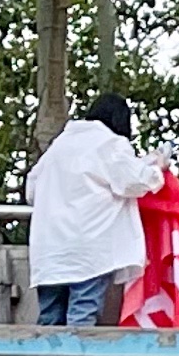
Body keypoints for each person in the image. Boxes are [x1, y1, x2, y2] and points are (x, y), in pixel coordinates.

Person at [23, 93, 162, 325]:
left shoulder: (59, 146)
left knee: (50, 318)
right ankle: (74, 351)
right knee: (83, 314)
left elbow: (31, 191)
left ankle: (46, 351)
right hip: (89, 249)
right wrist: (157, 168)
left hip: (49, 251)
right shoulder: (109, 143)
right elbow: (134, 181)